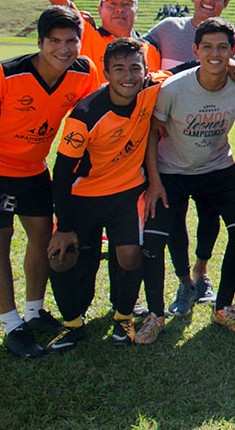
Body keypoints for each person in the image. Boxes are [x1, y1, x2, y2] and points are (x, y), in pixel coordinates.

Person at [0, 6, 101, 357]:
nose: (63, 49)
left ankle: (33, 311)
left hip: (35, 169)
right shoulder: (3, 74)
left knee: (42, 238)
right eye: (54, 41)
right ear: (40, 41)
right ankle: (13, 326)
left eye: (71, 41)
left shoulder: (84, 72)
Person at [139, 18, 235, 342]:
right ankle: (156, 313)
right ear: (195, 50)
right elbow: (152, 131)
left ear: (232, 51)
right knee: (153, 241)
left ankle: (222, 307)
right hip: (171, 171)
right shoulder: (173, 88)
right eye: (207, 47)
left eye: (223, 47)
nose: (215, 54)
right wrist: (154, 181)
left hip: (217, 167)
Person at [45, 38, 164, 349]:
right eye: (119, 69)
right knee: (61, 257)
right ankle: (71, 323)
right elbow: (62, 172)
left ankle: (123, 316)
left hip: (127, 194)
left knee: (130, 255)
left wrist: (233, 66)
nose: (128, 76)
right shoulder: (84, 114)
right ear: (107, 73)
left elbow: (191, 72)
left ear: (146, 70)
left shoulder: (152, 89)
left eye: (135, 68)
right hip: (83, 197)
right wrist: (65, 226)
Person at [144, 0, 235, 318]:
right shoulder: (167, 29)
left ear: (226, 3)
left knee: (210, 216)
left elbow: (230, 79)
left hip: (211, 149)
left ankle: (201, 273)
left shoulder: (234, 37)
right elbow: (140, 61)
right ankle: (184, 281)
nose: (209, 0)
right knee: (174, 219)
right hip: (168, 147)